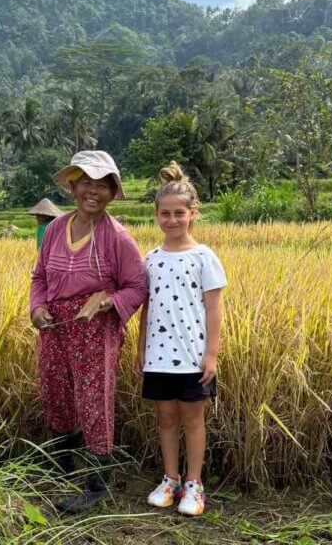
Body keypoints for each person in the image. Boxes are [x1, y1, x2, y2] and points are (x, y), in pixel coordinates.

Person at [29, 151, 147, 514]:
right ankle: (61, 464)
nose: (93, 192)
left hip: (95, 328)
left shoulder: (117, 237)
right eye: (85, 183)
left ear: (112, 193)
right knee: (55, 390)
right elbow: (39, 277)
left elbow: (138, 286)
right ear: (72, 187)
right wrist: (37, 307)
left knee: (94, 398)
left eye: (102, 186)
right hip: (55, 326)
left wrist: (109, 301)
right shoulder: (54, 230)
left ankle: (97, 482)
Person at [138, 161, 226, 517]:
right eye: (165, 213)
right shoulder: (150, 259)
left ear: (193, 213)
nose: (172, 220)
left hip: (192, 357)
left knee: (192, 420)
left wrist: (212, 354)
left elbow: (214, 309)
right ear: (156, 216)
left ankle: (194, 484)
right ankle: (170, 479)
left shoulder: (204, 257)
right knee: (166, 419)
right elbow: (146, 309)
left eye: (179, 213)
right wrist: (142, 349)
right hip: (159, 356)